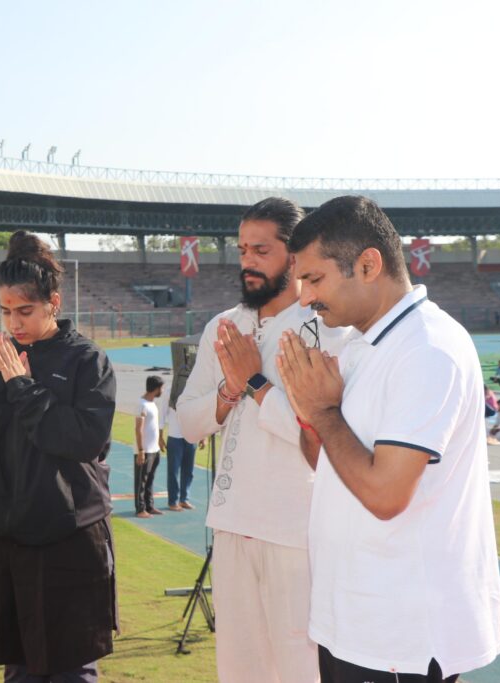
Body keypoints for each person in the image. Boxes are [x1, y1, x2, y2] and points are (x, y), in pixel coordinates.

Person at [277, 195, 500, 681]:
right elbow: (330, 465)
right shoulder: (365, 344)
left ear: (367, 264)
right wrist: (309, 412)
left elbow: (384, 495)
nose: (303, 299)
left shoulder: (426, 349)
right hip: (356, 624)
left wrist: (323, 409)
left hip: (402, 636)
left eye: (313, 279)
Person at [177, 196, 351, 683]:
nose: (247, 262)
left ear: (294, 257)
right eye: (242, 250)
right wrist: (231, 387)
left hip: (298, 535)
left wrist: (254, 382)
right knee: (240, 670)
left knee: (301, 670)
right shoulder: (223, 327)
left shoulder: (324, 329)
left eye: (260, 250)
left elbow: (319, 437)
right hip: (232, 527)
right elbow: (189, 424)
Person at [0, 231, 117, 682]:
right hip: (8, 535)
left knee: (71, 667)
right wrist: (4, 389)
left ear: (53, 303)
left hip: (70, 535)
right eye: (5, 311)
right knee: (18, 666)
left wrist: (23, 388)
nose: (14, 322)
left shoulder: (87, 361)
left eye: (25, 311)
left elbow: (82, 440)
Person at [134, 376, 165, 518]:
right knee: (141, 481)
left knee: (150, 480)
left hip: (154, 450)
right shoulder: (142, 404)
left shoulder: (152, 403)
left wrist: (158, 443)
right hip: (145, 450)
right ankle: (140, 509)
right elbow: (138, 429)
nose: (162, 391)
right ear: (156, 388)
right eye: (161, 388)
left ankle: (149, 506)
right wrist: (141, 450)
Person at [162, 404, 203, 511]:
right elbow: (162, 414)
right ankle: (173, 501)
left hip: (191, 436)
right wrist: (159, 435)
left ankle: (184, 499)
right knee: (173, 471)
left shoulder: (193, 389)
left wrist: (203, 435)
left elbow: (198, 414)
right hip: (175, 437)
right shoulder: (169, 391)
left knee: (188, 471)